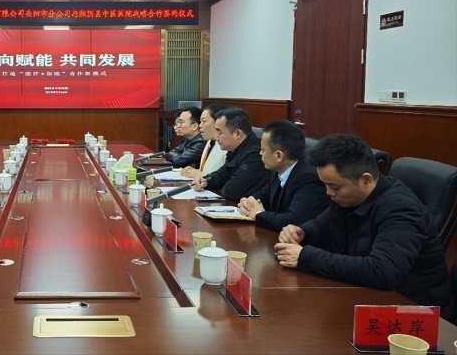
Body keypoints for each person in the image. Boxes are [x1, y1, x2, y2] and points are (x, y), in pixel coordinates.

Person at [275, 135, 455, 320]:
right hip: (366, 297)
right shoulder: (350, 196)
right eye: (325, 185)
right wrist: (301, 232)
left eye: (334, 187)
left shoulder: (402, 210)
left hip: (416, 314)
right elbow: (321, 225)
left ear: (366, 180)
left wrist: (306, 257)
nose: (329, 193)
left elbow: (383, 271)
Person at [237, 120, 329, 232]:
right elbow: (262, 196)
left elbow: (293, 221)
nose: (260, 153)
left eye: (263, 150)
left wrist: (258, 214)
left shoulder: (309, 178)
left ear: (279, 156)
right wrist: (248, 202)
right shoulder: (278, 170)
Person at [192, 107, 270, 200]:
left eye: (219, 132)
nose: (216, 137)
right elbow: (222, 175)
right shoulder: (235, 150)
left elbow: (231, 191)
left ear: (237, 134)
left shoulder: (256, 155)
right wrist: (206, 181)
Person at [180, 104, 226, 179]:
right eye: (200, 121)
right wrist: (194, 172)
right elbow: (207, 171)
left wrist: (202, 175)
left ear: (217, 122)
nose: (200, 125)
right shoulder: (210, 142)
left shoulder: (226, 145)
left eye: (204, 121)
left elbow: (224, 178)